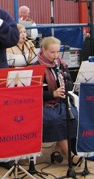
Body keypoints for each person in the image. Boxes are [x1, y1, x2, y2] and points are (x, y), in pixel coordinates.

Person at [36, 36, 82, 166]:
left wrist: (65, 83)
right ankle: (71, 156)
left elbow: (70, 83)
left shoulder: (61, 64)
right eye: (52, 52)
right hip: (44, 104)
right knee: (56, 120)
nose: (55, 55)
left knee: (73, 117)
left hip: (60, 102)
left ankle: (56, 151)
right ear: (43, 51)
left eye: (57, 51)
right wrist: (53, 93)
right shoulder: (36, 67)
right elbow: (34, 93)